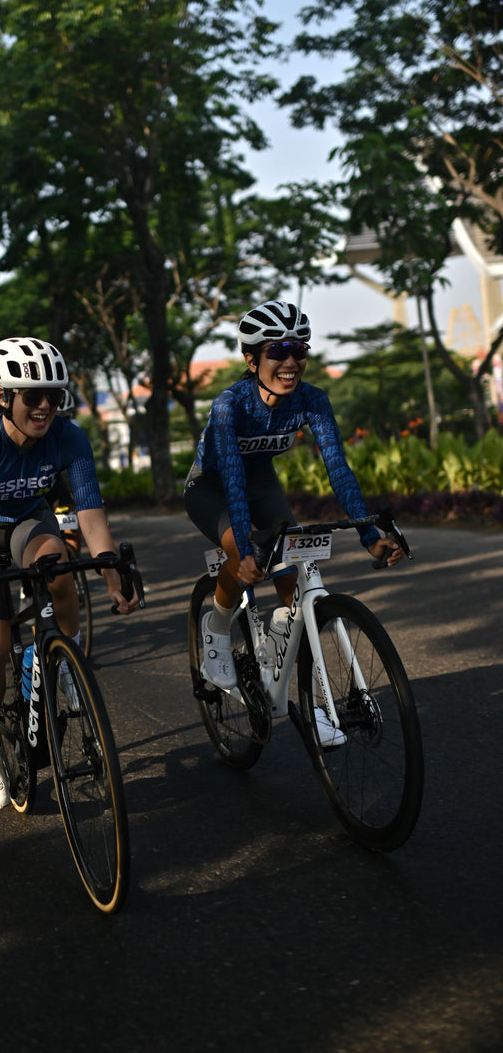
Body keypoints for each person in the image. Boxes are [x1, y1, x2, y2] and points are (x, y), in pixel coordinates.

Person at [184, 300, 403, 744]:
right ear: (252, 359)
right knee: (238, 547)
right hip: (213, 487)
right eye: (277, 351)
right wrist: (246, 553)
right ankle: (218, 630)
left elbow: (338, 471)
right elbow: (230, 475)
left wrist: (368, 534)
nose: (290, 362)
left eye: (299, 350)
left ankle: (313, 703)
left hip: (261, 483)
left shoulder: (312, 400)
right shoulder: (230, 404)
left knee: (297, 585)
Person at [0, 336, 140, 810]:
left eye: (53, 396)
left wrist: (111, 574)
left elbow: (91, 513)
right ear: (1, 396)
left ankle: (65, 656)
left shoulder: (68, 435)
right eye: (31, 396)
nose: (44, 407)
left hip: (30, 522)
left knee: (58, 564)